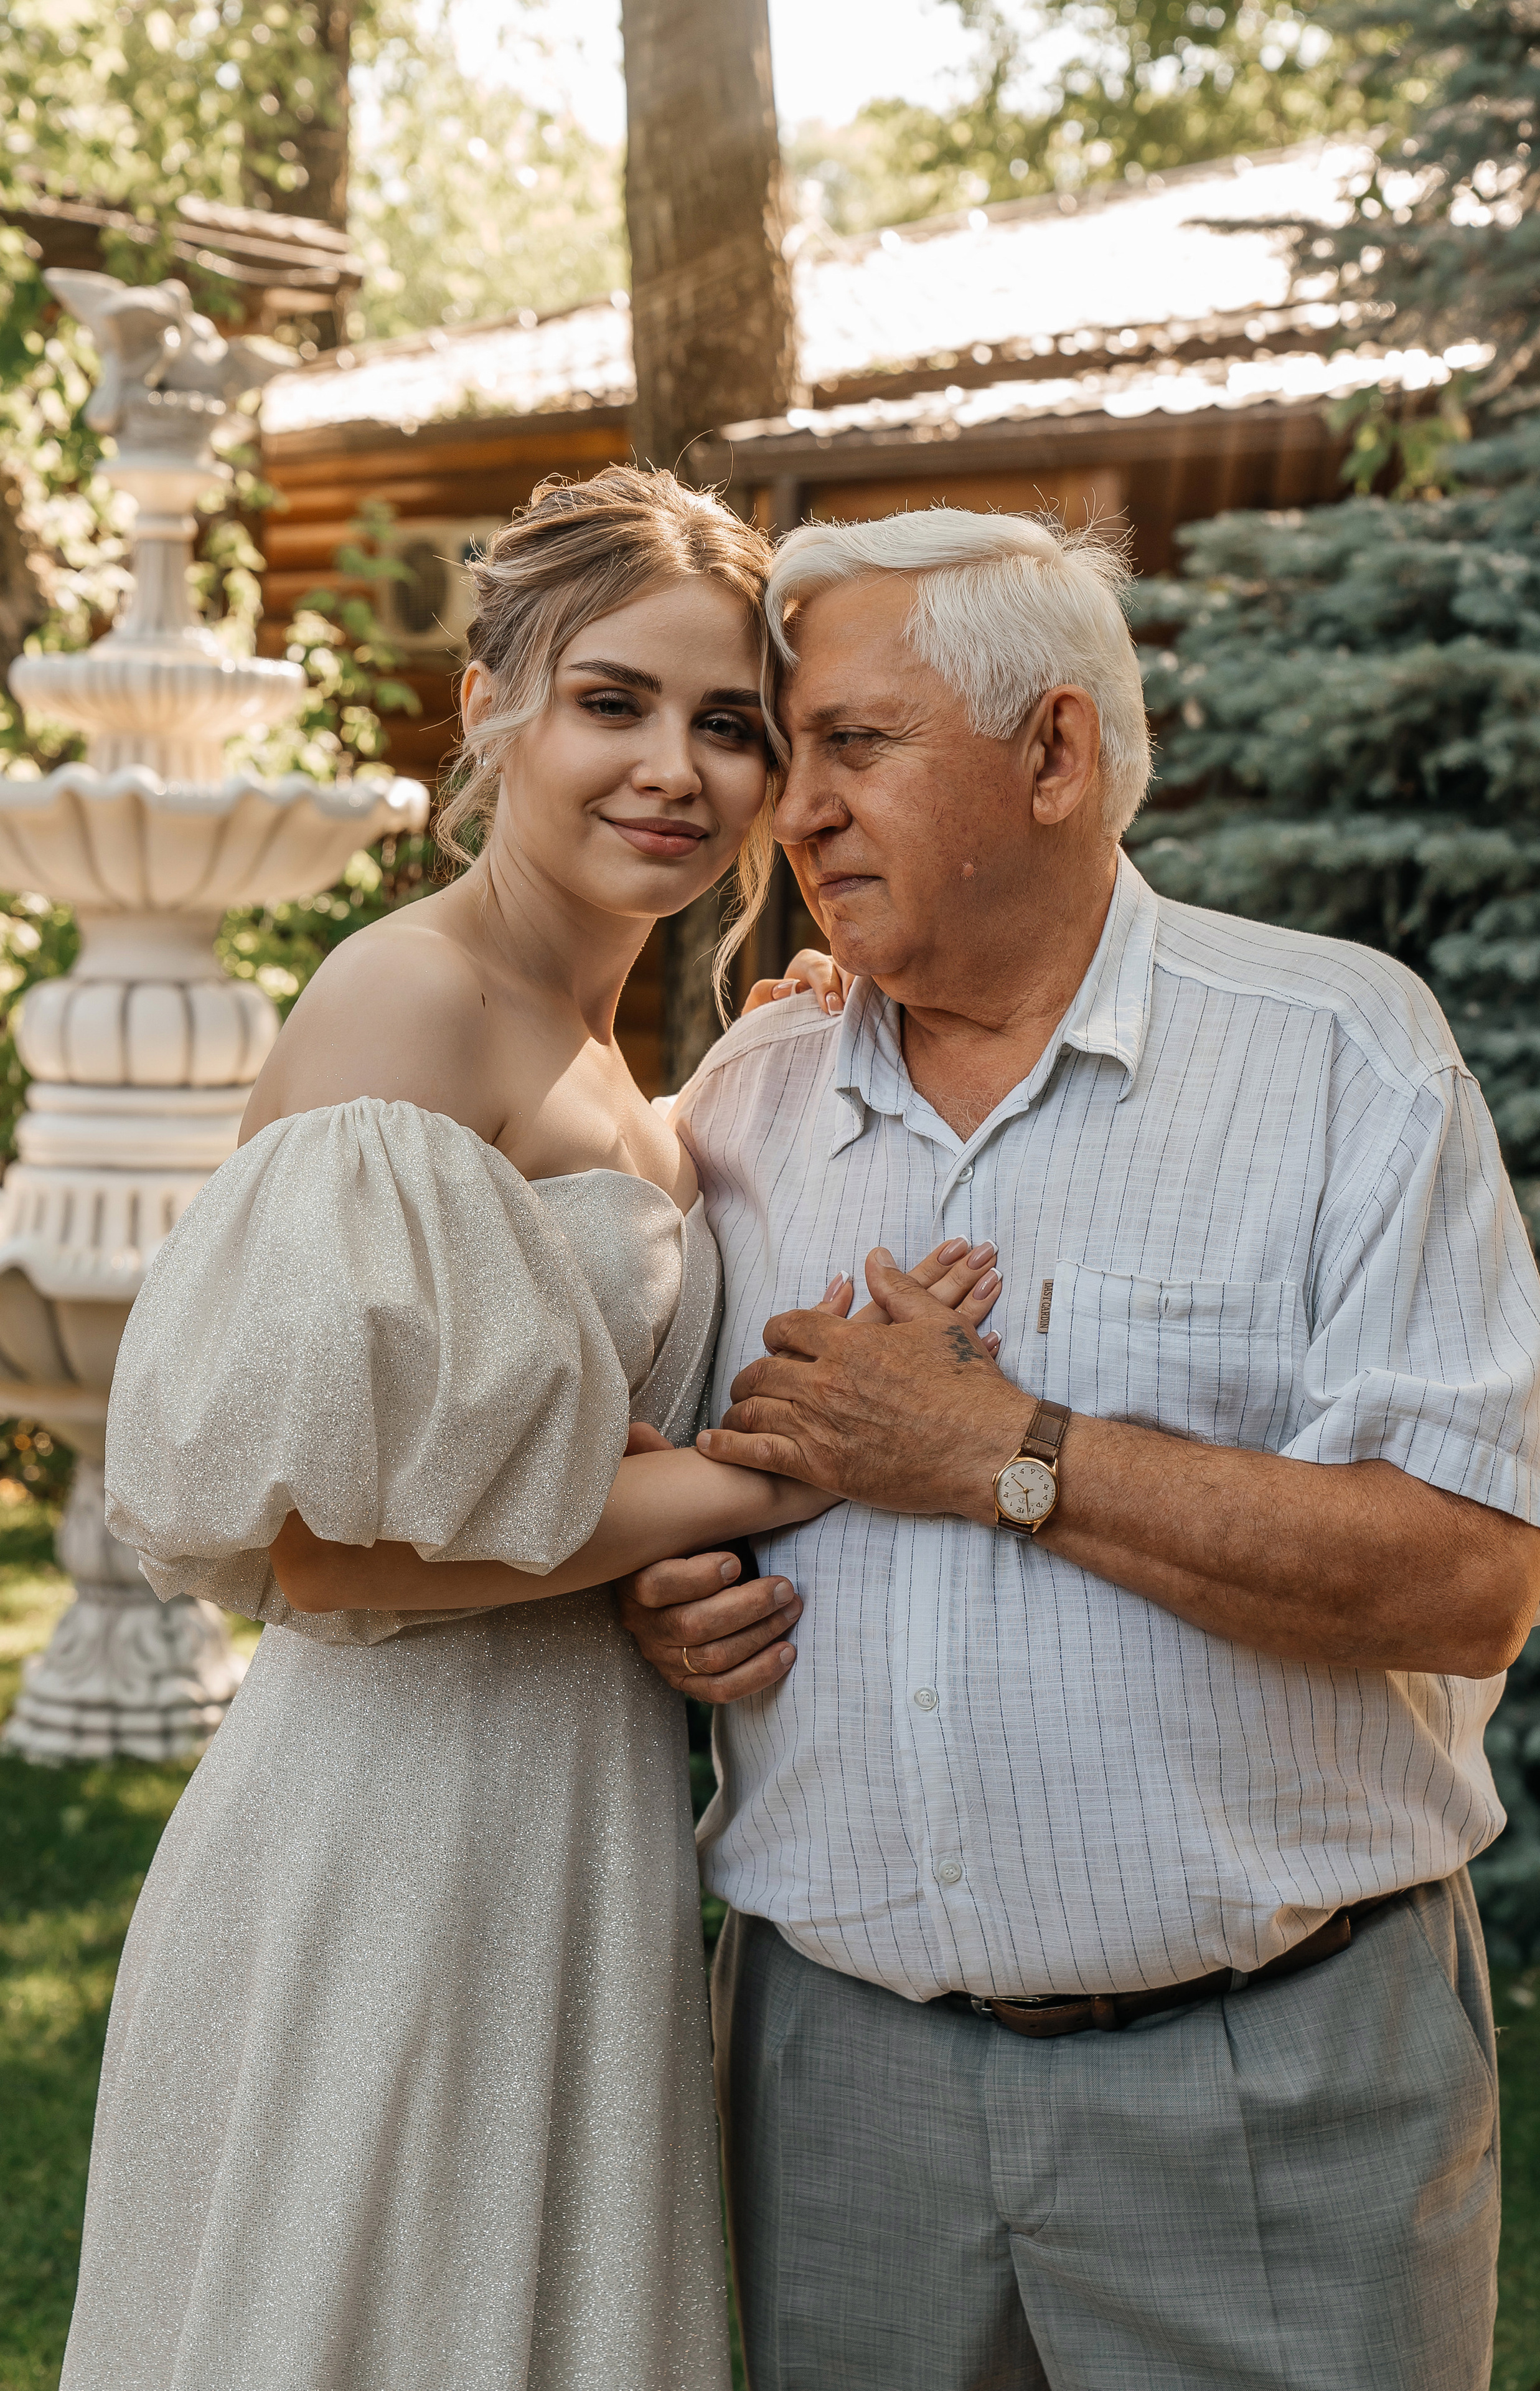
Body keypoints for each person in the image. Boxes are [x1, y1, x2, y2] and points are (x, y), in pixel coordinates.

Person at [619, 508, 1540, 2391]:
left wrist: (1006, 1449)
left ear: (1054, 752)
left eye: (856, 744)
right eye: (786, 751)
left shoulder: (1338, 1055)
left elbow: (1469, 1578)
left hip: (1272, 2087)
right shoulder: (750, 1097)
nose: (791, 811)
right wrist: (679, 1596)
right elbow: (696, 1481)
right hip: (841, 2091)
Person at [62, 466, 998, 2391]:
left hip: (578, 1821)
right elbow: (325, 1556)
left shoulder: (623, 1058)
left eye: (727, 724)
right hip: (391, 1832)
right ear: (492, 703)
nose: (675, 768)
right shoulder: (406, 1004)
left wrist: (805, 1045)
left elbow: (565, 1430)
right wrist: (787, 1462)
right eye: (613, 701)